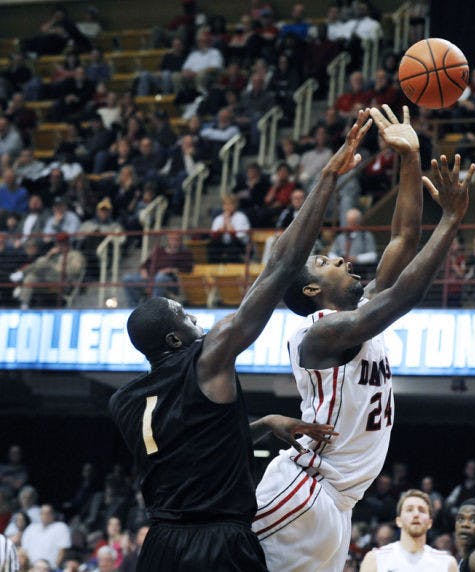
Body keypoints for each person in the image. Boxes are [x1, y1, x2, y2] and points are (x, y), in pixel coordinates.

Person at [108, 110, 373, 572]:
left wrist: (266, 421)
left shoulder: (126, 402)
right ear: (175, 338)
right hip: (219, 542)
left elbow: (195, 446)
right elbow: (280, 266)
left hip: (162, 545)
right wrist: (328, 176)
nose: (197, 321)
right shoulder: (206, 361)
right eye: (186, 316)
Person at [253, 110, 474, 571]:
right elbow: (404, 295)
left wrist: (411, 157)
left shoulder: (355, 315)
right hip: (305, 489)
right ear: (312, 289)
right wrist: (450, 221)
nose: (346, 262)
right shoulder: (320, 333)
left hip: (337, 501)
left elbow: (403, 238)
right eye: (329, 262)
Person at [360, 489, 457, 572]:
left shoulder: (446, 563)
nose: (416, 514)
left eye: (422, 510)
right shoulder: (375, 559)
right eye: (409, 510)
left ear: (430, 523)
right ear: (398, 521)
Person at [121, 232, 194, 307]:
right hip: (150, 277)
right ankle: (134, 307)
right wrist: (143, 270)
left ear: (180, 241)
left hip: (170, 280)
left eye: (176, 239)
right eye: (171, 239)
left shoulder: (185, 253)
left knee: (160, 278)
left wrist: (171, 270)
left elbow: (188, 269)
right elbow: (145, 264)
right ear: (168, 240)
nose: (174, 241)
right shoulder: (159, 251)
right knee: (127, 279)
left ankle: (153, 307)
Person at [21, 505, 70, 569]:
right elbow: (24, 550)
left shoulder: (61, 527)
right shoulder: (31, 528)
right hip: (32, 568)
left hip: (51, 568)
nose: (45, 516)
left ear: (53, 514)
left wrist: (55, 568)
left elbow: (63, 550)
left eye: (48, 513)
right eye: (42, 513)